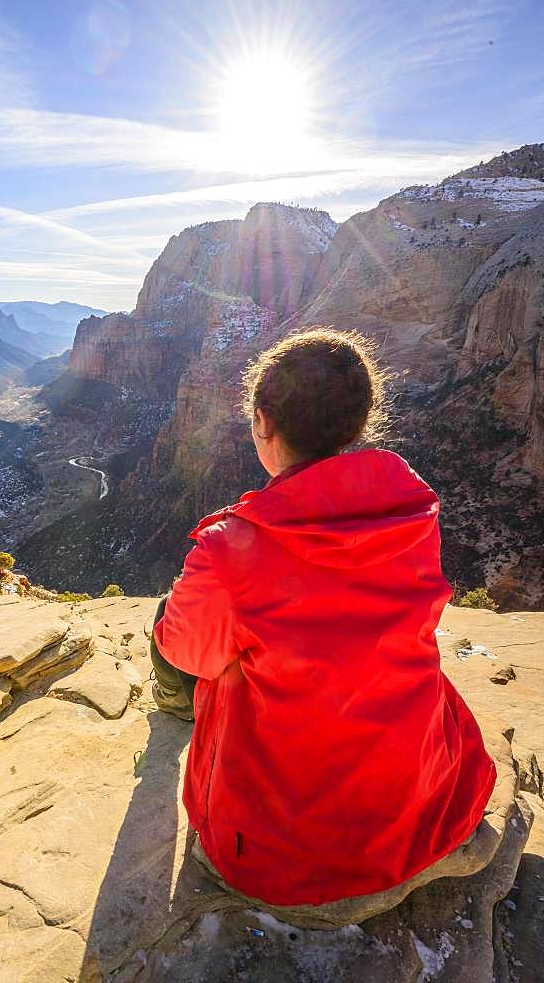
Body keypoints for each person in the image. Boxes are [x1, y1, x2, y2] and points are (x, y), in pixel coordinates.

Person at [149, 327, 496, 908]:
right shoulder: (411, 513)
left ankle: (171, 711)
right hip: (418, 801)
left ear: (263, 422)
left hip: (276, 851)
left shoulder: (230, 549)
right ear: (356, 424)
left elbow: (187, 653)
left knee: (172, 620)